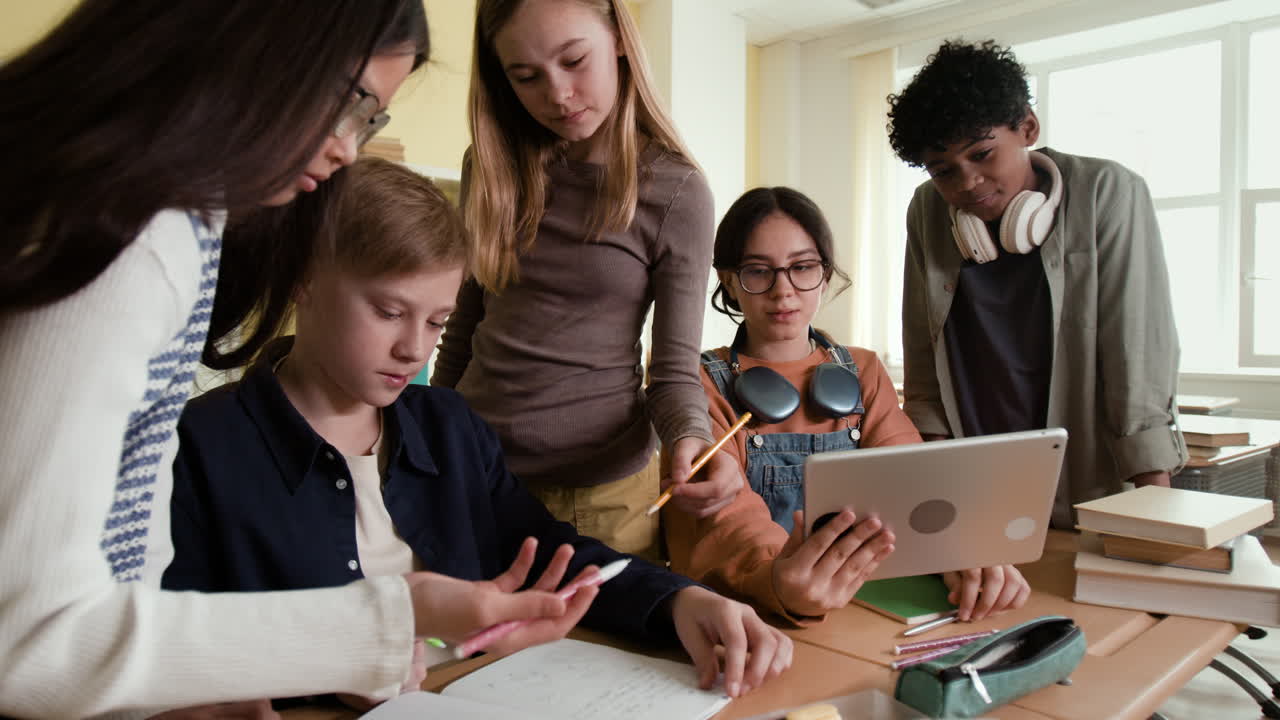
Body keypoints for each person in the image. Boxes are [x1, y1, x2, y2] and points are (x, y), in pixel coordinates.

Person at [0, 3, 594, 716]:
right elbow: (29, 640)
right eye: (349, 102)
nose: (348, 147)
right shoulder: (127, 239)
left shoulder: (181, 229)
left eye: (369, 121)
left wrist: (189, 689)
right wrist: (388, 618)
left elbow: (121, 578)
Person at [165, 157, 794, 708]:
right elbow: (174, 643)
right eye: (388, 311)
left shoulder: (447, 425)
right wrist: (329, 665)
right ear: (303, 277)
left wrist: (682, 602)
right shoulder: (201, 445)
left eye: (438, 320)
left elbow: (553, 551)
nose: (414, 348)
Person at [431, 0, 739, 562]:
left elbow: (671, 373)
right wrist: (428, 441)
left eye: (574, 60)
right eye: (525, 77)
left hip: (601, 498)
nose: (558, 94)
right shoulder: (490, 166)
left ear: (620, 38)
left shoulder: (675, 190)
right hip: (476, 476)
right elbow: (463, 329)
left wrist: (692, 443)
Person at [665, 187, 1031, 624]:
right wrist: (780, 578)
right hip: (755, 609)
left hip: (862, 599)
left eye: (802, 267)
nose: (783, 291)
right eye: (758, 271)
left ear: (824, 274)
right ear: (727, 279)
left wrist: (960, 549)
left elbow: (912, 480)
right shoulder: (695, 386)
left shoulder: (863, 370)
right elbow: (727, 526)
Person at [887, 40, 1187, 528]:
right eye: (944, 170)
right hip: (973, 481)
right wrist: (932, 492)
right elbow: (922, 352)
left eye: (983, 154)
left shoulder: (1107, 192)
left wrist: (1156, 517)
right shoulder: (928, 209)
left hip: (1086, 478)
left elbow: (1137, 352)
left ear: (1027, 127)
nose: (967, 182)